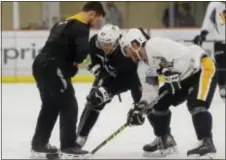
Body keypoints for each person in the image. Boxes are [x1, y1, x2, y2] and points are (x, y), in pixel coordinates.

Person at [123, 28, 217, 158]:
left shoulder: (154, 45)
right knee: (158, 104)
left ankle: (207, 144)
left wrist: (173, 72)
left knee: (196, 104)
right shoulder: (143, 67)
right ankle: (165, 140)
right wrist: (141, 106)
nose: (126, 54)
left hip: (201, 68)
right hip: (182, 79)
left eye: (126, 49)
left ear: (134, 44)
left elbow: (185, 56)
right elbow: (150, 90)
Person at [31, 2, 105, 158]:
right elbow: (82, 52)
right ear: (92, 14)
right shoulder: (81, 27)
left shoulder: (62, 23)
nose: (96, 22)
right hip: (53, 67)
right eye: (97, 19)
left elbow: (58, 46)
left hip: (40, 64)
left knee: (50, 106)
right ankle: (69, 147)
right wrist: (76, 63)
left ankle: (39, 145)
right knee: (69, 105)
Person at [75, 25, 144, 148]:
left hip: (129, 78)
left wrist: (109, 92)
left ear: (117, 42)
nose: (104, 47)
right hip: (108, 74)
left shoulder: (125, 52)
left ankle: (164, 137)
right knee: (94, 101)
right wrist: (99, 72)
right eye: (102, 44)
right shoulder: (94, 42)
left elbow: (131, 80)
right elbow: (93, 59)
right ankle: (80, 137)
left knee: (145, 106)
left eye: (108, 44)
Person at [193, 2, 226, 100]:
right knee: (221, 64)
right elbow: (209, 22)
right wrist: (203, 34)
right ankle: (222, 87)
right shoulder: (215, 5)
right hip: (219, 41)